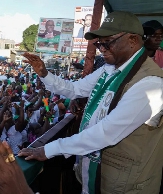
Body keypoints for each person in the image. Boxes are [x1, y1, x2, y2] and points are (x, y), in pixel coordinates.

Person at [18, 11, 163, 193]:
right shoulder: (109, 69)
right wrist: (44, 73)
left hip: (125, 185)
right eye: (99, 43)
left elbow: (106, 133)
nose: (101, 48)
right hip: (97, 175)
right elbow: (75, 89)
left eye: (107, 42)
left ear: (133, 40)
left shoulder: (151, 83)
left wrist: (49, 149)